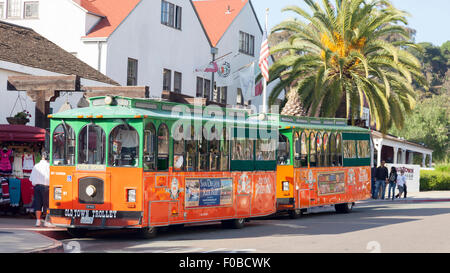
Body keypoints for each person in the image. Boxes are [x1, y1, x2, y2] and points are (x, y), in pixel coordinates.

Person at [29, 152, 53, 227]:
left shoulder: (36, 166)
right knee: (47, 204)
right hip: (46, 187)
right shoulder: (49, 166)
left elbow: (31, 178)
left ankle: (38, 221)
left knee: (38, 204)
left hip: (37, 187)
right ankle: (47, 221)